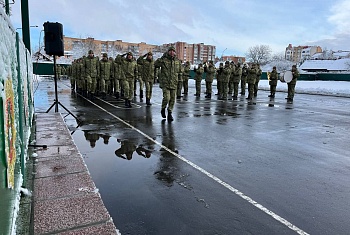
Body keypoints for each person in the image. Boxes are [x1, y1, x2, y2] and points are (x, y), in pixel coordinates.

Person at [155, 46, 182, 121]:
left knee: (173, 99)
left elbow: (180, 71)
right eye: (170, 51)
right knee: (167, 98)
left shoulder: (177, 61)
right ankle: (163, 108)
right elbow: (156, 64)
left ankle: (170, 113)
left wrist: (179, 80)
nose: (172, 52)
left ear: (175, 52)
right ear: (168, 52)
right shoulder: (164, 60)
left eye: (173, 51)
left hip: (174, 83)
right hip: (165, 83)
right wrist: (162, 58)